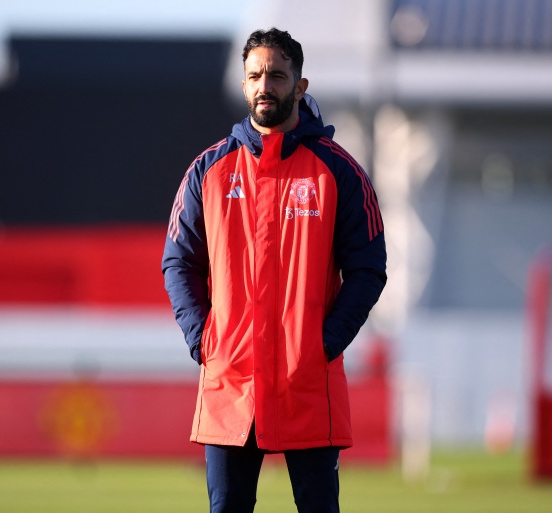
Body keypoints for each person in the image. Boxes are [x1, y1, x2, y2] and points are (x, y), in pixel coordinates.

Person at [161, 27, 387, 513]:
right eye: (255, 76)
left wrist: (325, 343)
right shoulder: (208, 170)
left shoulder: (338, 171)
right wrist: (204, 340)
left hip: (308, 383)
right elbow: (178, 261)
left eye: (278, 76)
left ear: (300, 86)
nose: (265, 86)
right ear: (244, 84)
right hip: (231, 381)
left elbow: (369, 267)